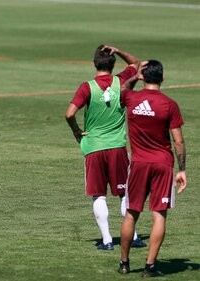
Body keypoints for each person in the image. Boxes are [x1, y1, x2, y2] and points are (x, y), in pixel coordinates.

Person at [65, 45, 146, 250]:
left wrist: (76, 130)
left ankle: (107, 240)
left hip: (94, 147)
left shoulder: (87, 87)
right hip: (117, 147)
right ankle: (134, 236)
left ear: (94, 64)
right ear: (113, 64)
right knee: (124, 194)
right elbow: (136, 63)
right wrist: (118, 50)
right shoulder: (122, 82)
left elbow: (69, 113)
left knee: (98, 194)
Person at [118, 60, 186, 276]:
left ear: (144, 77)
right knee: (159, 215)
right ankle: (149, 266)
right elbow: (178, 142)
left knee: (131, 213)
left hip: (138, 163)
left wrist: (134, 76)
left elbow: (122, 88)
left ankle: (124, 263)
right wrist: (182, 169)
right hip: (163, 164)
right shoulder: (169, 104)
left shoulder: (131, 98)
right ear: (163, 78)